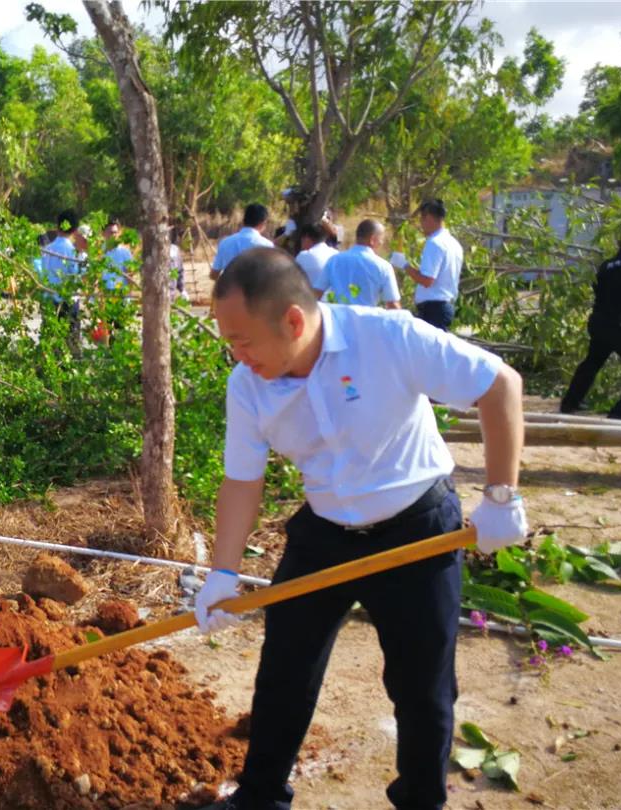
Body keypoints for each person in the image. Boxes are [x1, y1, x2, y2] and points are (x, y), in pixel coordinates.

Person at [196, 247, 527, 810]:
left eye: (244, 341)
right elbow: (242, 480)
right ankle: (259, 798)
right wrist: (223, 572)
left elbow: (500, 385)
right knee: (284, 671)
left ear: (293, 321)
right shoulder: (247, 386)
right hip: (324, 531)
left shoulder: (389, 338)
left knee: (422, 688)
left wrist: (500, 495)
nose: (237, 355)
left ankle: (421, 802)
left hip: (418, 531)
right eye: (230, 343)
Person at [560, 225, 621, 420]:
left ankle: (570, 403)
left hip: (599, 322)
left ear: (620, 242)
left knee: (593, 361)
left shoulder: (606, 265)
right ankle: (620, 413)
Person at [390, 199, 464, 331]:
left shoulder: (434, 243)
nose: (421, 225)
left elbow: (427, 280)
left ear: (428, 217)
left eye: (421, 220)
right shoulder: (454, 243)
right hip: (444, 307)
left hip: (433, 309)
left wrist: (404, 265)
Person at [320, 218, 400, 308]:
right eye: (381, 239)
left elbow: (317, 293)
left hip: (338, 319)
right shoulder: (383, 266)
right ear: (372, 239)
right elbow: (393, 305)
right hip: (367, 320)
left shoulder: (334, 260)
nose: (381, 243)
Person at [42, 210, 83, 345]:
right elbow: (77, 278)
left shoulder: (47, 249)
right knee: (70, 345)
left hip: (49, 299)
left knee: (50, 345)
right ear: (74, 229)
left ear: (57, 225)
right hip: (68, 302)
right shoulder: (74, 252)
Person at [210, 203, 274, 281]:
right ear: (263, 223)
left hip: (231, 291)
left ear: (243, 221)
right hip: (256, 291)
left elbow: (213, 275)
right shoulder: (267, 246)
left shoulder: (225, 242)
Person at [293, 222, 338, 298]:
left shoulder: (303, 256)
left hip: (311, 302)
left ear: (306, 238)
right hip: (334, 301)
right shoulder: (336, 254)